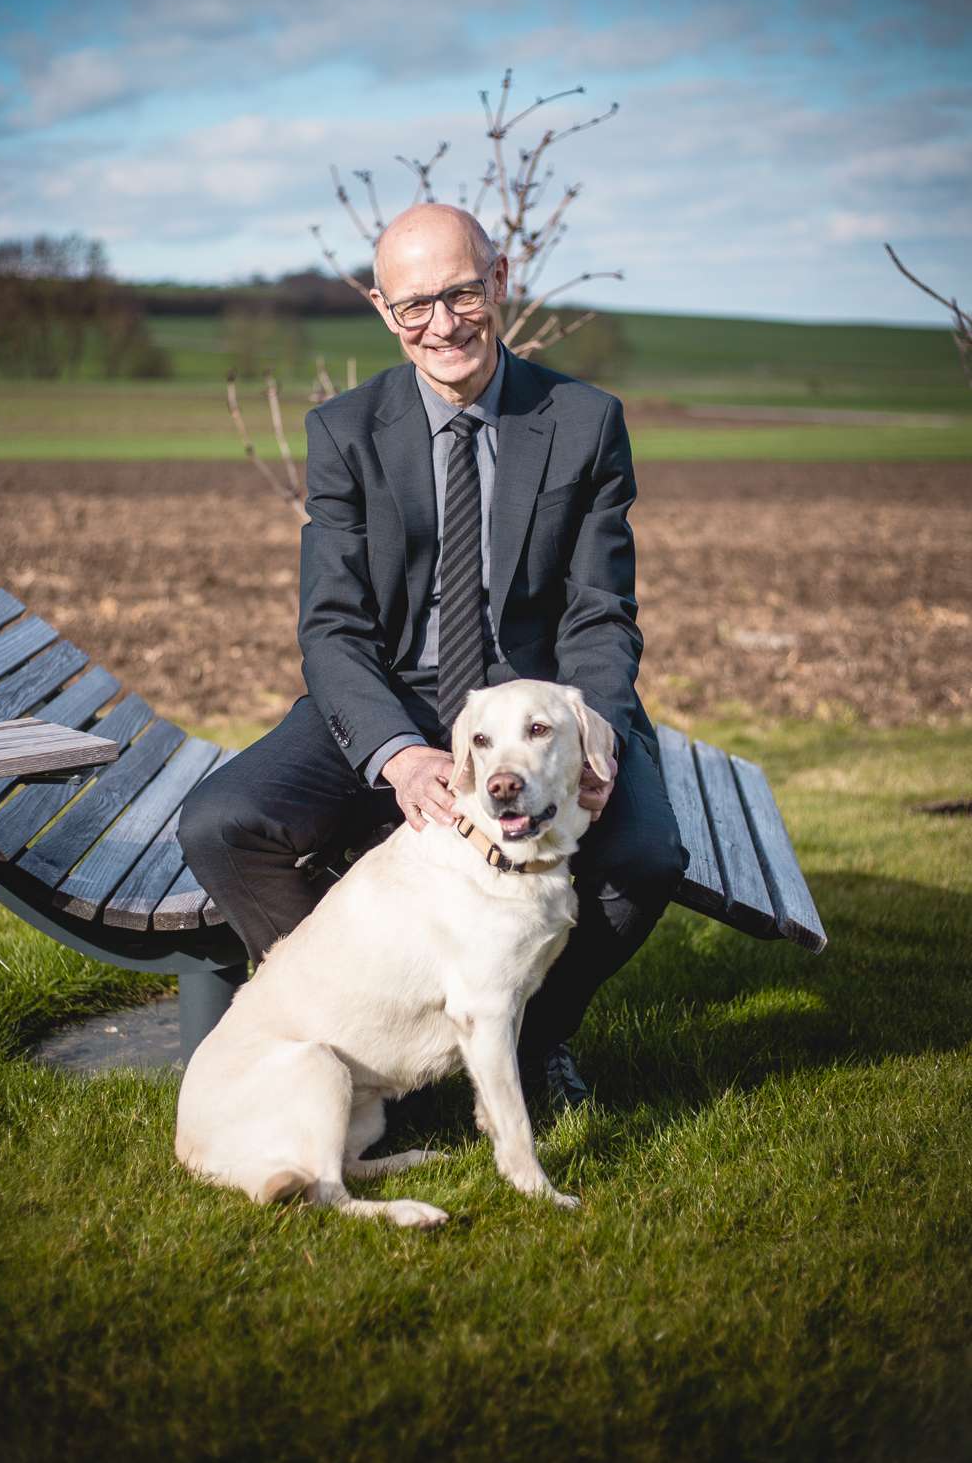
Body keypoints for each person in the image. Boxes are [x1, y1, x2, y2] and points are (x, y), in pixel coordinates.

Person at [178, 203, 688, 1108]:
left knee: (646, 856)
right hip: (396, 697)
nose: (442, 324)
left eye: (460, 293)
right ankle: (346, 1038)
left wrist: (594, 733)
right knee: (223, 823)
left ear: (498, 283)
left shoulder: (584, 421)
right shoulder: (346, 430)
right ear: (384, 311)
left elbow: (600, 613)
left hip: (535, 714)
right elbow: (331, 628)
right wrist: (401, 754)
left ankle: (533, 1042)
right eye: (415, 305)